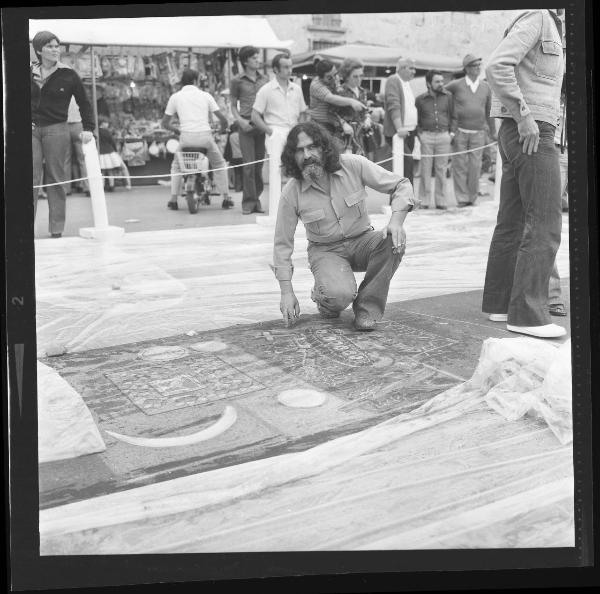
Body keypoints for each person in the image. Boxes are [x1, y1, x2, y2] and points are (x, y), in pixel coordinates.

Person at [272, 122, 419, 331]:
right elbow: (282, 244)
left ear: (324, 147)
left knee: (393, 241)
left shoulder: (354, 165)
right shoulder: (291, 192)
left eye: (312, 147)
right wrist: (286, 292)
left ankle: (367, 309)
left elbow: (401, 184)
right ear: (291, 157)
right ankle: (324, 296)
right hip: (325, 251)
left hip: (362, 241)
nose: (306, 156)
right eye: (299, 150)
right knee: (339, 296)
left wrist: (396, 221)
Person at [482, 9, 566, 338]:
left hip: (521, 129)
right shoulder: (538, 18)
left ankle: (501, 305)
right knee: (545, 220)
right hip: (531, 129)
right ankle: (528, 315)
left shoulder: (552, 22)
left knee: (513, 221)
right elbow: (496, 66)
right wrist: (524, 115)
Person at [31, 30, 94, 238]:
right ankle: (24, 228)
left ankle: (56, 229)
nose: (55, 50)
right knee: (29, 179)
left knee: (57, 178)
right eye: (50, 46)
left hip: (57, 129)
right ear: (39, 50)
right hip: (30, 130)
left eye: (57, 46)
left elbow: (84, 102)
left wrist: (88, 128)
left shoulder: (68, 73)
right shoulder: (28, 73)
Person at [162, 69, 233, 211]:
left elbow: (165, 123)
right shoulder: (205, 96)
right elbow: (223, 120)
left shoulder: (175, 97)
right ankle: (226, 198)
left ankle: (173, 200)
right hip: (205, 138)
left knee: (176, 166)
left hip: (186, 138)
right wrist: (220, 130)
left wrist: (177, 130)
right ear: (196, 81)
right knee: (219, 164)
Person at [251, 53, 308, 218]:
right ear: (275, 69)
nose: (289, 70)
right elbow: (255, 116)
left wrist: (301, 130)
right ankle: (276, 212)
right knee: (276, 171)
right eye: (285, 66)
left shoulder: (296, 88)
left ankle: (302, 208)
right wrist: (271, 132)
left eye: (290, 66)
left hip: (295, 132)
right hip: (276, 130)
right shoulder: (266, 90)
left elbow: (303, 112)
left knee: (300, 168)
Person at [444, 55, 497, 207]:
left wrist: (493, 131)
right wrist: (449, 123)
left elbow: (489, 112)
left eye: (479, 66)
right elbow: (441, 96)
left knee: (476, 166)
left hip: (479, 132)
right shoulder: (455, 85)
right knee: (459, 166)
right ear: (466, 68)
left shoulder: (486, 87)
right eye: (474, 66)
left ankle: (471, 198)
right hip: (460, 132)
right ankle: (461, 198)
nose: (478, 69)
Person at [229, 46, 269, 214]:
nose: (257, 60)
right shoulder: (236, 80)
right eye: (254, 57)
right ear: (245, 61)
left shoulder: (265, 79)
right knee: (248, 166)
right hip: (245, 126)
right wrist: (240, 121)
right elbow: (232, 105)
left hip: (261, 125)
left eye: (258, 57)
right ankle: (248, 202)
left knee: (258, 166)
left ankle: (256, 200)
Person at [415, 70, 455, 209]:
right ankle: (424, 201)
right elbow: (417, 119)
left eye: (441, 81)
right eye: (437, 81)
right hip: (426, 136)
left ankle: (441, 201)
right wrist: (420, 134)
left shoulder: (448, 96)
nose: (441, 84)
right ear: (428, 83)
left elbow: (453, 115)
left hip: (444, 136)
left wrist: (451, 134)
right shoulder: (420, 99)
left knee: (441, 170)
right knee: (425, 169)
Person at [307, 58, 365, 151]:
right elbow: (332, 98)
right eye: (330, 77)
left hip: (334, 124)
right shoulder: (316, 85)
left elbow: (338, 93)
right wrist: (352, 101)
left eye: (335, 74)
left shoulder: (336, 79)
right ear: (321, 77)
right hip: (321, 124)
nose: (334, 79)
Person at [383, 57, 418, 183]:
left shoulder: (406, 83)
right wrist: (399, 128)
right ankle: (406, 200)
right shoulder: (394, 80)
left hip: (409, 131)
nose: (414, 71)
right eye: (411, 68)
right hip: (398, 132)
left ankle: (404, 199)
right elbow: (394, 105)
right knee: (405, 167)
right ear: (402, 68)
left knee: (405, 168)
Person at [335, 58, 377, 159]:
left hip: (362, 135)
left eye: (361, 76)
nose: (359, 79)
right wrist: (343, 124)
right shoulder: (339, 91)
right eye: (355, 76)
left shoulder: (363, 91)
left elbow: (365, 109)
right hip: (346, 137)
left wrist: (367, 118)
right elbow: (332, 113)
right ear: (346, 76)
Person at [64, 97, 90, 196]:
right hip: (79, 125)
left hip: (65, 125)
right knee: (82, 159)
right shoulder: (78, 95)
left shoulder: (63, 94)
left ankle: (66, 189)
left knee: (66, 160)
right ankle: (87, 187)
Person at [98, 118, 131, 192]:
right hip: (110, 152)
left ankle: (102, 187)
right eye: (106, 122)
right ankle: (111, 186)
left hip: (100, 154)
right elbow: (112, 142)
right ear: (102, 123)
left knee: (102, 172)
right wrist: (116, 151)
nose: (107, 124)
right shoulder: (107, 132)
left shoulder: (96, 132)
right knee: (110, 171)